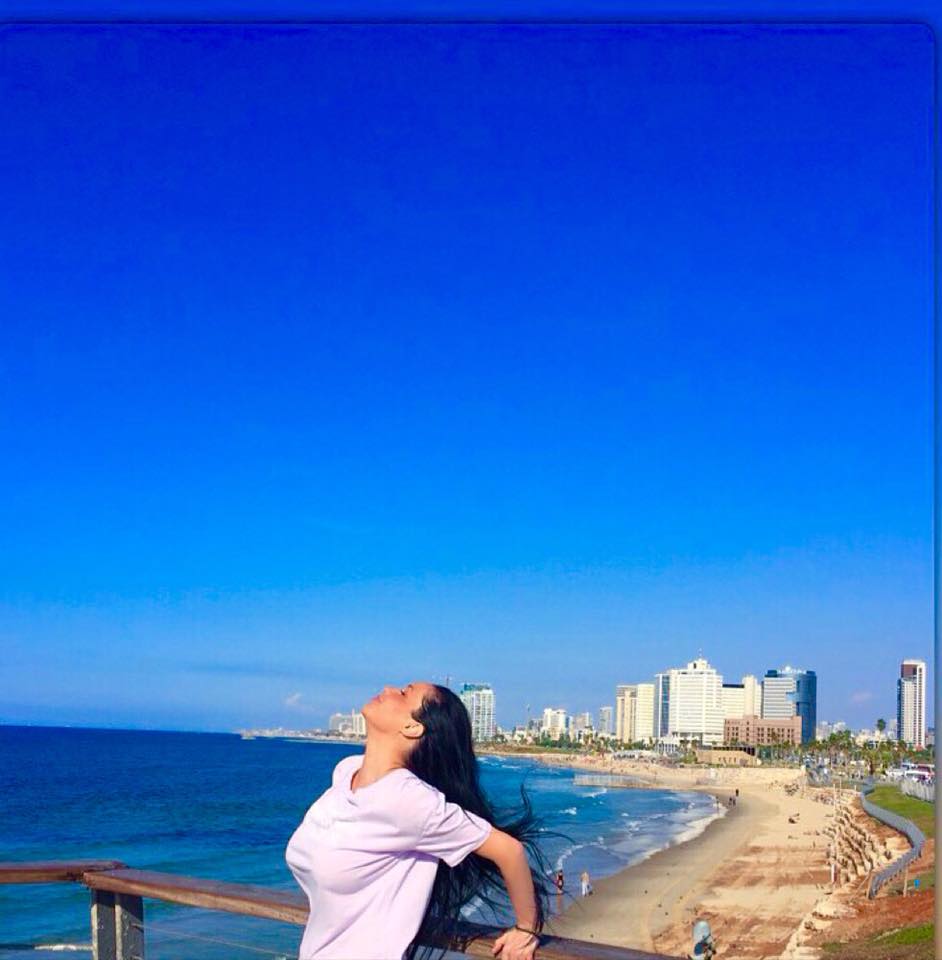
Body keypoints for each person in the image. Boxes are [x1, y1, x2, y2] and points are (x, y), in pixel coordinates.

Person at [286, 682, 552, 960]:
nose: (388, 688)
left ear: (413, 727)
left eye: (404, 694)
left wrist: (527, 929)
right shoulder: (346, 771)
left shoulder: (410, 800)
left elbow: (509, 850)